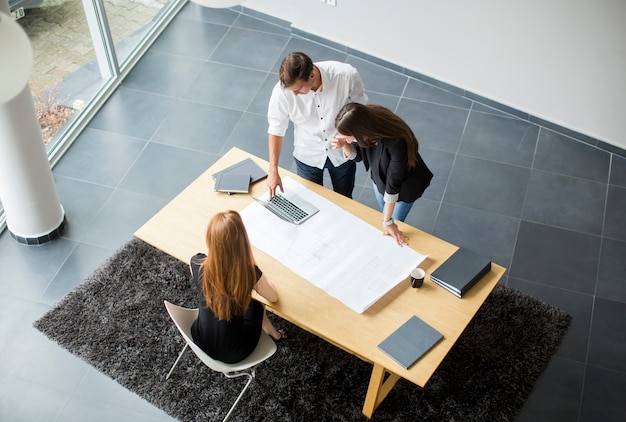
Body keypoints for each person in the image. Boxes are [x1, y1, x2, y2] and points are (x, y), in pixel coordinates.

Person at [267, 52, 368, 198]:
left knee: (345, 199)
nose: (294, 94)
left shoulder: (346, 76)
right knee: (311, 200)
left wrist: (348, 137)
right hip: (307, 154)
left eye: (298, 89)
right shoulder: (281, 92)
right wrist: (273, 170)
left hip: (342, 152)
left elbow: (360, 108)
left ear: (312, 75)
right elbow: (276, 129)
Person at [190, 210, 285, 364]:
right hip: (234, 351)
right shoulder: (248, 273)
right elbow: (273, 297)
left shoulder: (196, 262)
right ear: (241, 240)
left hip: (200, 338)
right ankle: (273, 333)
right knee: (255, 306)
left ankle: (273, 333)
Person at [332, 103, 433, 246]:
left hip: (403, 188)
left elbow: (393, 186)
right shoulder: (367, 127)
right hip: (380, 179)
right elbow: (358, 156)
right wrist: (345, 145)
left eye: (351, 138)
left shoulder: (396, 143)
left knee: (391, 223)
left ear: (361, 131)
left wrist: (388, 221)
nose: (349, 140)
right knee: (385, 214)